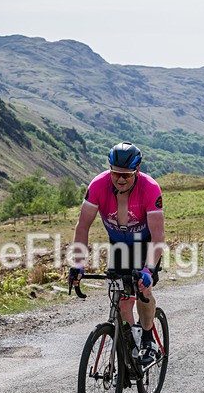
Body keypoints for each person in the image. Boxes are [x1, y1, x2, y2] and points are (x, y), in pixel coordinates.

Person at [69, 142, 165, 363]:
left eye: (127, 175)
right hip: (119, 246)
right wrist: (79, 264)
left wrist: (149, 270)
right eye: (116, 174)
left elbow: (159, 238)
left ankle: (149, 338)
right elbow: (82, 227)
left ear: (137, 171)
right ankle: (132, 341)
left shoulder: (150, 188)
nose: (121, 179)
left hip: (146, 244)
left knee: (142, 289)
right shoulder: (98, 186)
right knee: (122, 302)